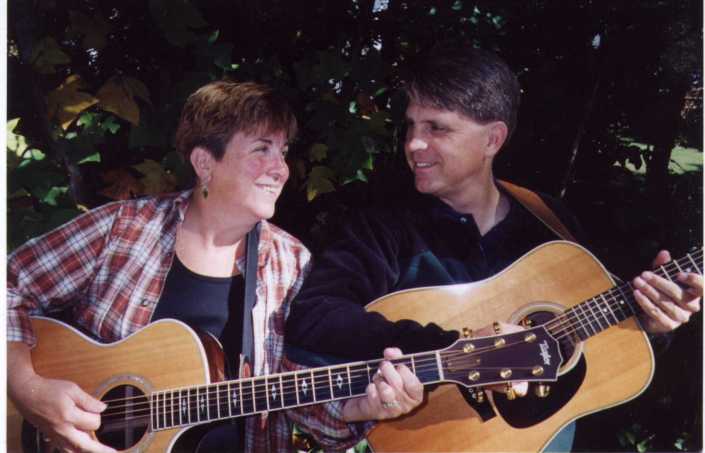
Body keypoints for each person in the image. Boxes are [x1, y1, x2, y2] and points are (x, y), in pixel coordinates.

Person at [284, 47, 703, 450]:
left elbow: (598, 340)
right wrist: (460, 351)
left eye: (436, 128)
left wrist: (652, 321)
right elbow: (313, 316)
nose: (413, 143)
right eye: (411, 126)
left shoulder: (548, 223)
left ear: (493, 140)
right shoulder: (383, 228)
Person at [7, 81, 422, 453]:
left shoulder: (291, 264)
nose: (280, 169)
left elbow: (298, 396)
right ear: (205, 163)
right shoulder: (124, 230)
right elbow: (9, 284)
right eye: (262, 149)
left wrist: (357, 409)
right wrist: (27, 389)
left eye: (282, 152)